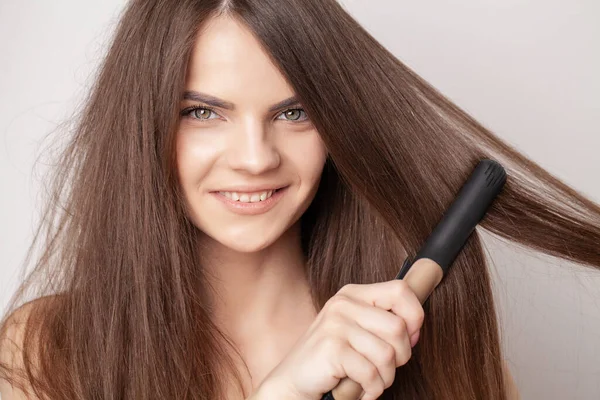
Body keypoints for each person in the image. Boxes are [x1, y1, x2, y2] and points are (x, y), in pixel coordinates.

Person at [1, 0, 598, 399]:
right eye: (203, 113)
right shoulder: (47, 352)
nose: (256, 157)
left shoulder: (439, 350)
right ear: (143, 125)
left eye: (295, 112)